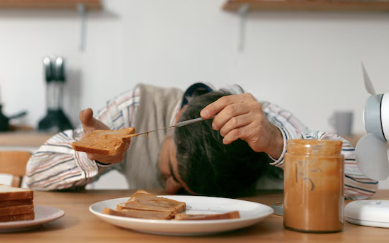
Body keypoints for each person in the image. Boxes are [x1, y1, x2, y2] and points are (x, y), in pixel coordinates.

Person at [26, 83, 378, 199]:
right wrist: (96, 155)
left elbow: (366, 180)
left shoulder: (264, 126)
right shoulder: (136, 109)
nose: (168, 191)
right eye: (170, 172)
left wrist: (277, 143)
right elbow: (34, 176)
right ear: (175, 122)